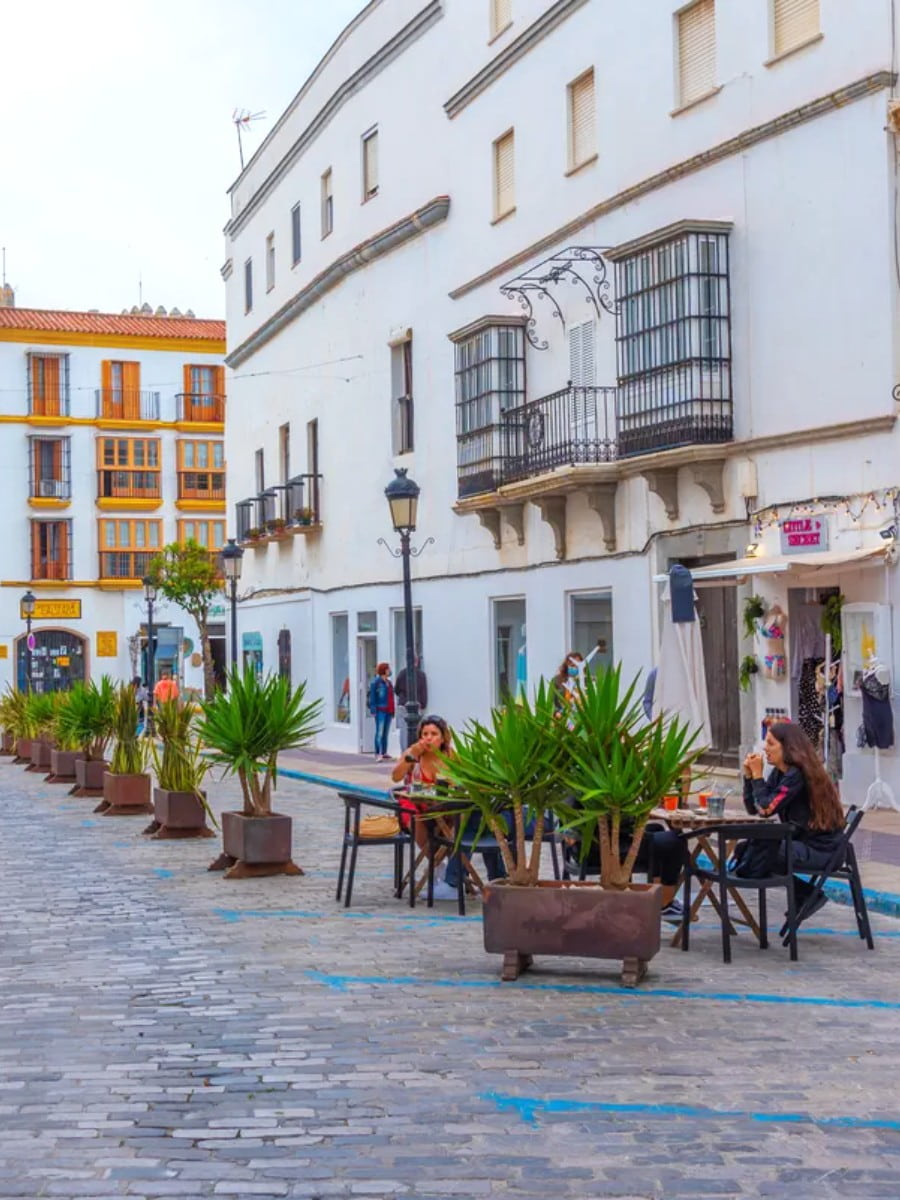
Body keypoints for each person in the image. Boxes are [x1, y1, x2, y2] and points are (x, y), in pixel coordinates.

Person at [391, 714, 505, 901]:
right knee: (416, 817)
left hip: (444, 806)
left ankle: (453, 875)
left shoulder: (451, 756)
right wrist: (411, 754)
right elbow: (396, 776)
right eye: (425, 734)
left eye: (434, 734)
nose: (428, 738)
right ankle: (439, 865)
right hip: (417, 804)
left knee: (464, 820)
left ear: (443, 737)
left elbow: (467, 779)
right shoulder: (414, 754)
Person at [741, 721, 845, 919]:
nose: (765, 748)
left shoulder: (797, 774)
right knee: (747, 849)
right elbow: (755, 809)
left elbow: (766, 808)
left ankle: (806, 894)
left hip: (822, 850)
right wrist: (749, 778)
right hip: (801, 843)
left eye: (771, 743)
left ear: (787, 747)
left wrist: (757, 776)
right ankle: (805, 893)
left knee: (760, 852)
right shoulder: (780, 773)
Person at [394, 657, 428, 751]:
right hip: (417, 705)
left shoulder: (402, 673)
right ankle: (415, 751)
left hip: (403, 704)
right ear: (417, 662)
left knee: (404, 731)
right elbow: (423, 691)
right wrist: (423, 704)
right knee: (417, 730)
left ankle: (405, 752)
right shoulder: (421, 675)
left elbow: (396, 689)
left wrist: (402, 696)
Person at [367, 662, 395, 761]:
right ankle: (378, 753)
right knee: (379, 732)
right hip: (380, 710)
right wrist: (373, 710)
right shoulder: (376, 683)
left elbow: (391, 698)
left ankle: (384, 752)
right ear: (384, 670)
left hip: (388, 710)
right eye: (388, 669)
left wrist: (392, 710)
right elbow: (372, 697)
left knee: (385, 732)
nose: (389, 671)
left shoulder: (389, 683)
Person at [552, 651, 584, 716]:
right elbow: (552, 701)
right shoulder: (557, 680)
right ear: (566, 666)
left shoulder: (586, 681)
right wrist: (557, 713)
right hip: (562, 715)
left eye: (577, 666)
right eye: (572, 665)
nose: (575, 668)